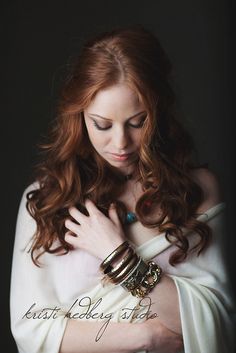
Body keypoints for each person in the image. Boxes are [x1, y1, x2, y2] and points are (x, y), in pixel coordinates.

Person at [10, 25, 235, 353]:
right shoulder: (46, 201)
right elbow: (32, 330)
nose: (120, 143)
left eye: (137, 122)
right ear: (80, 116)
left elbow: (217, 318)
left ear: (158, 112)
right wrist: (147, 337)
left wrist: (117, 255)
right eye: (101, 125)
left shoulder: (197, 191)